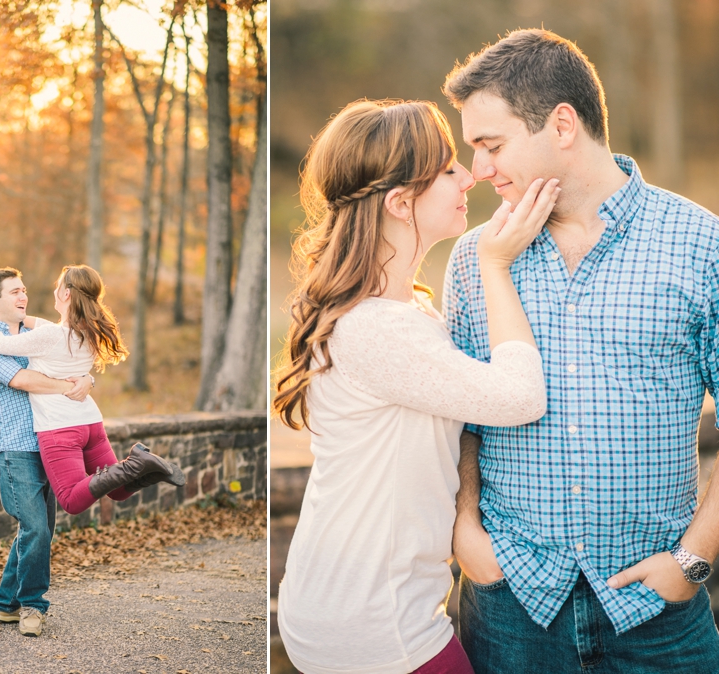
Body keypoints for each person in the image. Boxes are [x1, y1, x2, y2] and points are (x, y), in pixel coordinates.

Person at [442, 28, 719, 673]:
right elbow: (456, 417)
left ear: (562, 124)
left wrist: (693, 561)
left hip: (658, 615)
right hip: (510, 606)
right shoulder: (472, 261)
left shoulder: (702, 245)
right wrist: (465, 532)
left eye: (491, 144)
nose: (478, 170)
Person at [273, 98, 556, 674]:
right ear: (401, 203)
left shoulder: (402, 310)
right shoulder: (376, 328)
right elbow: (520, 397)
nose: (470, 175)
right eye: (448, 168)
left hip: (352, 605)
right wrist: (495, 266)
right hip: (374, 625)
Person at [0, 264, 186, 522]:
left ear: (66, 294)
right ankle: (149, 467)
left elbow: (1, 344)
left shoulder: (50, 335)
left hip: (60, 427)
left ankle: (137, 463)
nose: (54, 291)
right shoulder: (87, 332)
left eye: (57, 287)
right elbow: (39, 324)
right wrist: (88, 379)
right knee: (119, 490)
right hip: (90, 423)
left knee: (71, 500)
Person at [0, 267, 93, 637]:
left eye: (24, 290)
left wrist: (87, 378)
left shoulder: (37, 334)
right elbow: (24, 380)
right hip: (12, 448)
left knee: (38, 530)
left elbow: (75, 357)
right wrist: (70, 386)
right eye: (14, 293)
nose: (24, 297)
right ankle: (33, 607)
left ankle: (5, 605)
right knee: (36, 528)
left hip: (47, 444)